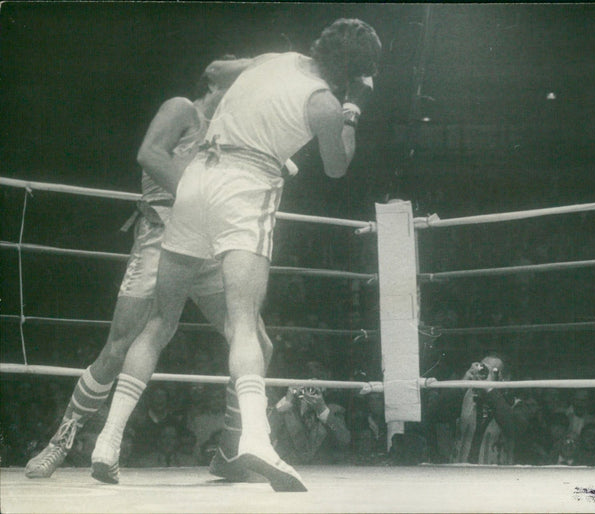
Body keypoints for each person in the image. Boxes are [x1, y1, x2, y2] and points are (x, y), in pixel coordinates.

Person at [91, 18, 382, 492]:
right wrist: (353, 108)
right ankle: (256, 439)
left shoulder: (278, 60)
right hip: (246, 185)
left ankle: (107, 440)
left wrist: (254, 72)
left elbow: (215, 69)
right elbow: (336, 166)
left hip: (197, 179)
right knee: (243, 321)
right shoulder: (324, 103)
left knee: (160, 322)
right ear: (355, 72)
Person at [23, 59, 249, 479]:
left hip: (207, 246)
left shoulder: (227, 131)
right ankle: (61, 442)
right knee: (119, 345)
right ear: (214, 81)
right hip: (161, 237)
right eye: (236, 84)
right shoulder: (183, 108)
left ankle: (232, 452)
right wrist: (201, 195)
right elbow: (149, 155)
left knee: (253, 340)